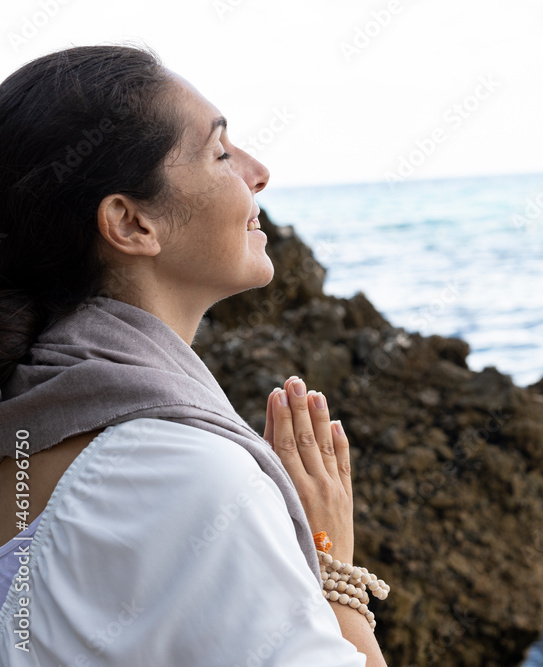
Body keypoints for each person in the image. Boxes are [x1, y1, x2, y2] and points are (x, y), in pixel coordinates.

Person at [0, 45, 387, 665]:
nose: (258, 172)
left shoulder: (26, 407)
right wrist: (333, 566)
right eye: (221, 153)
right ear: (131, 224)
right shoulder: (188, 476)